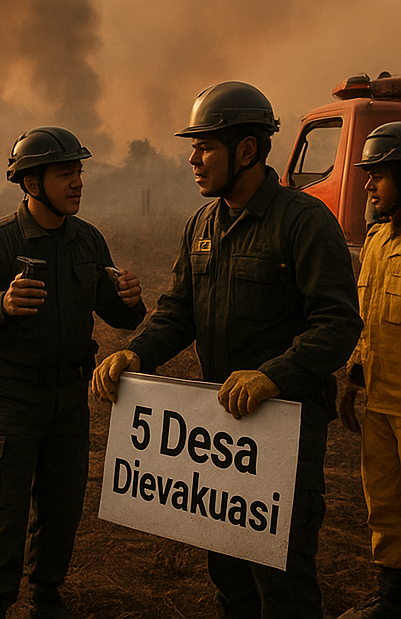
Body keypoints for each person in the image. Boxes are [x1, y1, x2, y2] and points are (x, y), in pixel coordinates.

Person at [92, 81, 362, 619]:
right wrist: (136, 354)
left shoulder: (303, 222)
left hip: (283, 427)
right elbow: (178, 311)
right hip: (220, 431)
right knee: (230, 579)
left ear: (247, 150)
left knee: (282, 580)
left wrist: (273, 375)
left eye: (205, 145)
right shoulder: (202, 225)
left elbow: (337, 323)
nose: (192, 158)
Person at [0, 126, 147, 619]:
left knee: (62, 509)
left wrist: (131, 302)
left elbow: (117, 314)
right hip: (10, 398)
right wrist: (2, 303)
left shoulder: (87, 241)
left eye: (79, 171)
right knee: (3, 511)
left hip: (68, 399)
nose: (78, 182)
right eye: (66, 173)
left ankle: (46, 598)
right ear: (32, 183)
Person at [337, 123, 401, 618]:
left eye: (377, 174)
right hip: (379, 401)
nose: (366, 185)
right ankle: (391, 599)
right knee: (384, 504)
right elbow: (367, 319)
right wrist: (351, 381)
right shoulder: (377, 242)